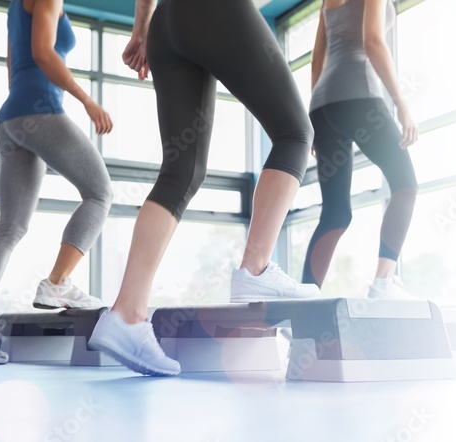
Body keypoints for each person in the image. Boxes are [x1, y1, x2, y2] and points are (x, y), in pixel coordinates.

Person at [87, 0, 320, 376]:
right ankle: (255, 271)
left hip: (167, 22)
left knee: (181, 171)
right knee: (296, 134)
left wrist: (142, 28)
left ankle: (126, 315)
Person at [0, 0, 114, 365]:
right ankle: (57, 283)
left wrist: (23, 117)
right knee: (100, 193)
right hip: (41, 108)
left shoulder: (15, 6)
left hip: (11, 116)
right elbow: (43, 53)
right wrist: (87, 101)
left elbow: (13, 63)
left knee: (10, 226)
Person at [301, 0, 420, 299]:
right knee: (405, 185)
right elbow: (373, 42)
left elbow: (318, 60)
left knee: (335, 213)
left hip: (322, 105)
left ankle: (303, 299)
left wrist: (313, 119)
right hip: (359, 95)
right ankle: (383, 283)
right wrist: (402, 104)